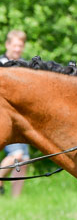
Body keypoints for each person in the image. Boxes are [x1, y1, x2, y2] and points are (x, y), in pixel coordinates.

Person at [0, 29, 29, 196]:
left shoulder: (25, 66)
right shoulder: (1, 64)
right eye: (15, 45)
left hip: (22, 118)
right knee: (16, 154)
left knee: (24, 160)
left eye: (21, 46)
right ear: (7, 45)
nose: (18, 49)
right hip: (5, 117)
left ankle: (16, 200)